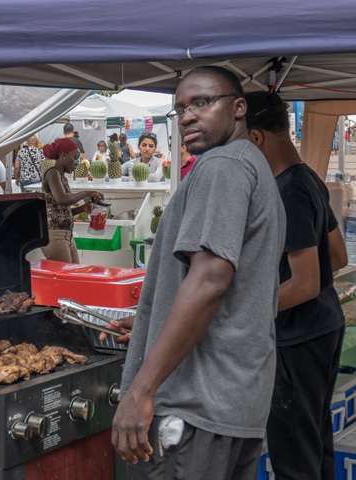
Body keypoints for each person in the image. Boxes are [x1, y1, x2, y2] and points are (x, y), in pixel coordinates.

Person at [111, 66, 286, 480]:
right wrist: (149, 324)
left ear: (239, 108)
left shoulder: (222, 166)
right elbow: (233, 288)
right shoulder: (251, 165)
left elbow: (210, 281)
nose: (188, 116)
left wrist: (142, 389)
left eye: (202, 103)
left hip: (196, 404)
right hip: (232, 399)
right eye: (180, 109)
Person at [245, 91, 347, 480]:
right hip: (325, 326)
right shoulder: (309, 179)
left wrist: (246, 305)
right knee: (315, 442)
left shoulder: (286, 191)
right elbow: (338, 257)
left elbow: (305, 284)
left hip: (298, 337)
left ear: (256, 138)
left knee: (294, 457)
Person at [41, 138, 103, 263]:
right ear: (64, 155)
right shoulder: (52, 173)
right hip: (55, 236)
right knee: (67, 278)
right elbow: (62, 200)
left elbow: (59, 211)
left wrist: (81, 209)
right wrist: (86, 192)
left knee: (75, 275)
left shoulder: (61, 177)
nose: (76, 163)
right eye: (75, 158)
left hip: (66, 236)